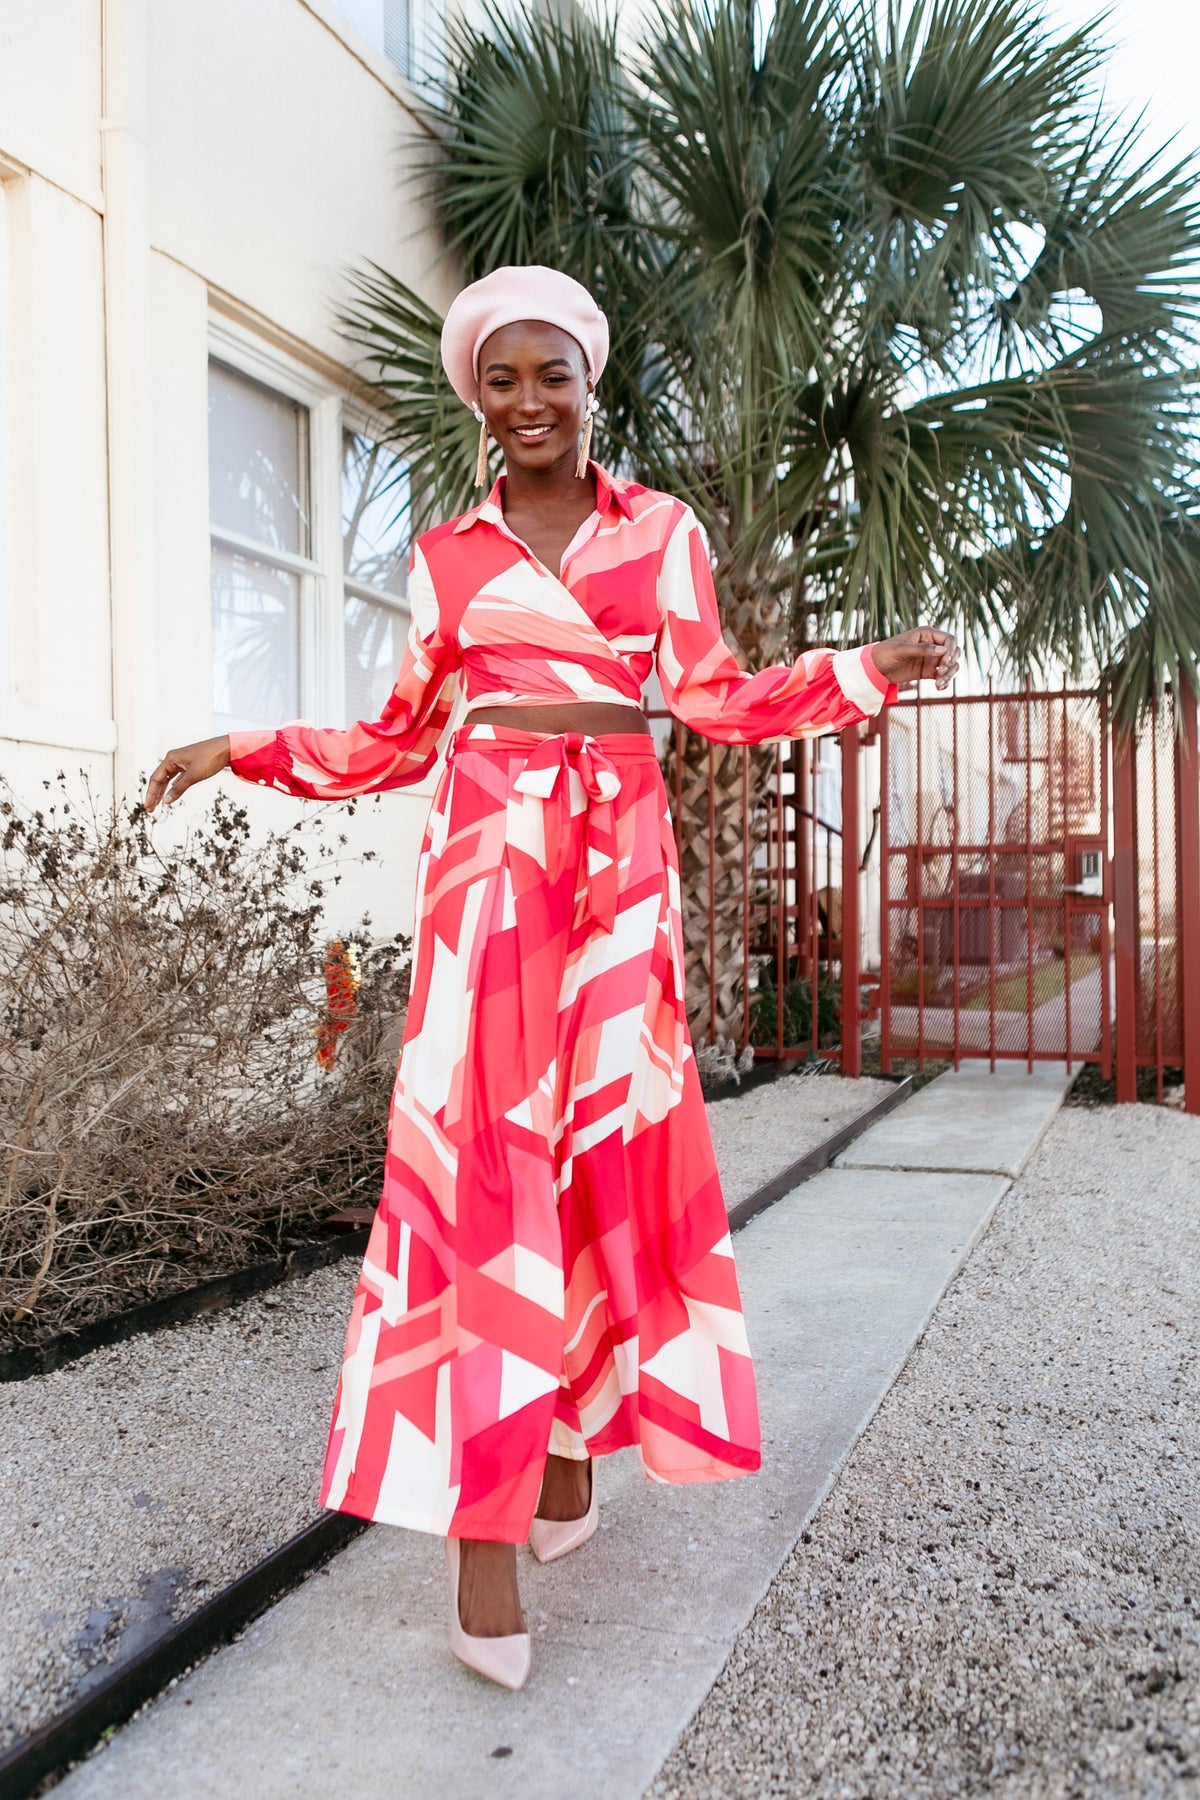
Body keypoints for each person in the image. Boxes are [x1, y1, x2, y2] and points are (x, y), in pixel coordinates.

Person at [146, 265, 958, 1692]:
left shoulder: (663, 531)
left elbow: (710, 697)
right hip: (489, 873)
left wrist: (860, 671)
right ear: (479, 398)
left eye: (552, 376)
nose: (529, 401)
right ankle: (485, 1527)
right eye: (502, 380)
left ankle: (572, 1448)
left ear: (590, 385)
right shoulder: (448, 557)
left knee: (603, 1152)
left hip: (622, 874)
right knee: (480, 1171)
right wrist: (245, 747)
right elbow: (400, 739)